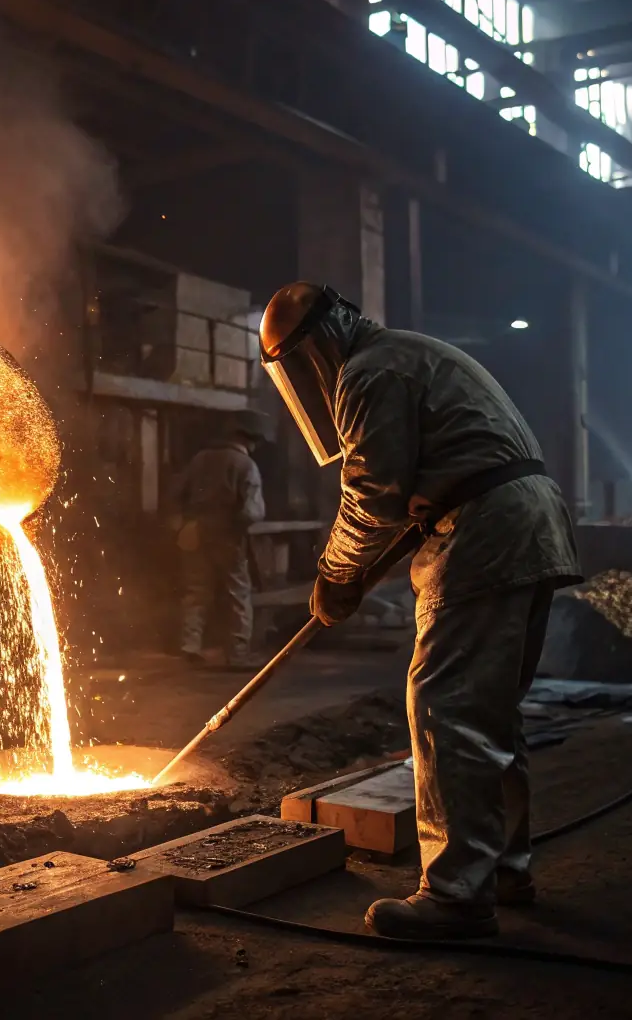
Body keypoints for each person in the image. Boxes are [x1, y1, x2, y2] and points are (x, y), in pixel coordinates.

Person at [259, 282, 581, 939]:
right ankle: (500, 870)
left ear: (314, 348)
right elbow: (412, 493)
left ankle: (457, 894)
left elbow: (373, 492)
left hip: (487, 528)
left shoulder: (368, 371)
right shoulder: (410, 354)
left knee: (446, 707)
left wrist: (335, 573)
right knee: (486, 711)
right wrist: (361, 568)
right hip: (525, 518)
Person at [175, 410, 269, 669]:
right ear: (251, 439)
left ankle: (189, 647)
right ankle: (238, 653)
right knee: (237, 593)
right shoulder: (245, 465)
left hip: (194, 531)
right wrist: (233, 523)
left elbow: (177, 493)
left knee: (196, 592)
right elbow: (253, 511)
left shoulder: (199, 459)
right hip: (227, 534)